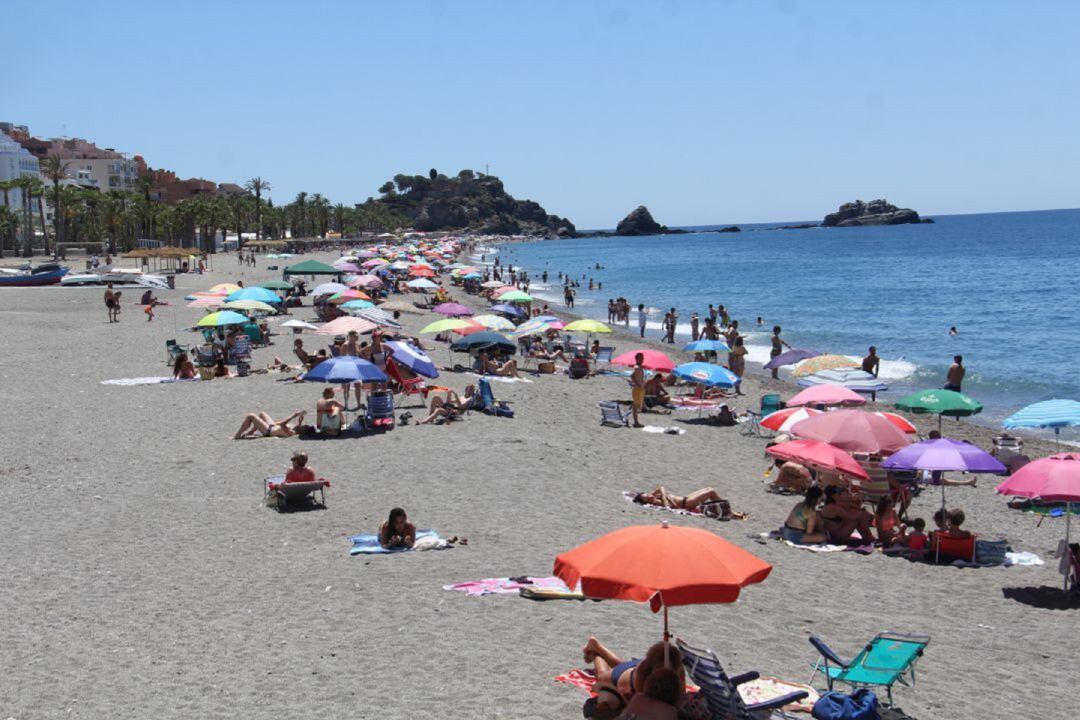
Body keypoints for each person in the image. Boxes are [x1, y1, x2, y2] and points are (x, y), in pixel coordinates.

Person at [582, 638, 685, 713]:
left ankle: (597, 646)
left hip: (632, 668)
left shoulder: (678, 670)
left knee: (620, 665)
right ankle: (594, 653)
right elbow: (639, 704)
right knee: (601, 676)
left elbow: (681, 697)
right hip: (623, 677)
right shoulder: (643, 676)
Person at [633, 486, 726, 515]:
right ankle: (725, 510)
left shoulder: (655, 497)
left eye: (647, 494)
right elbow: (671, 506)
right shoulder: (657, 503)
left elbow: (661, 487)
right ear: (646, 502)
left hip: (686, 498)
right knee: (711, 492)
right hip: (687, 503)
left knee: (709, 488)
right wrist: (665, 498)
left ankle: (724, 509)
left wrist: (663, 496)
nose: (649, 496)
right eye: (647, 498)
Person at [233, 410, 306, 439]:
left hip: (268, 431)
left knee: (251, 416)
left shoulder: (292, 432)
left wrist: (295, 415)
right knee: (262, 413)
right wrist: (300, 417)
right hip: (273, 426)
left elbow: (283, 424)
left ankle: (238, 434)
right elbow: (299, 424)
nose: (303, 425)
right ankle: (251, 432)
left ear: (302, 431)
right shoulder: (296, 428)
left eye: (304, 426)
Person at [630, 352, 646, 428]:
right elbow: (632, 376)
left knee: (638, 405)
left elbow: (633, 376)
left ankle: (636, 421)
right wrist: (637, 384)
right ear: (637, 359)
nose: (642, 359)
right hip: (637, 388)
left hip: (640, 388)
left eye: (642, 358)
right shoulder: (637, 367)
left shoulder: (639, 367)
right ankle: (636, 422)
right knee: (636, 406)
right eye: (640, 358)